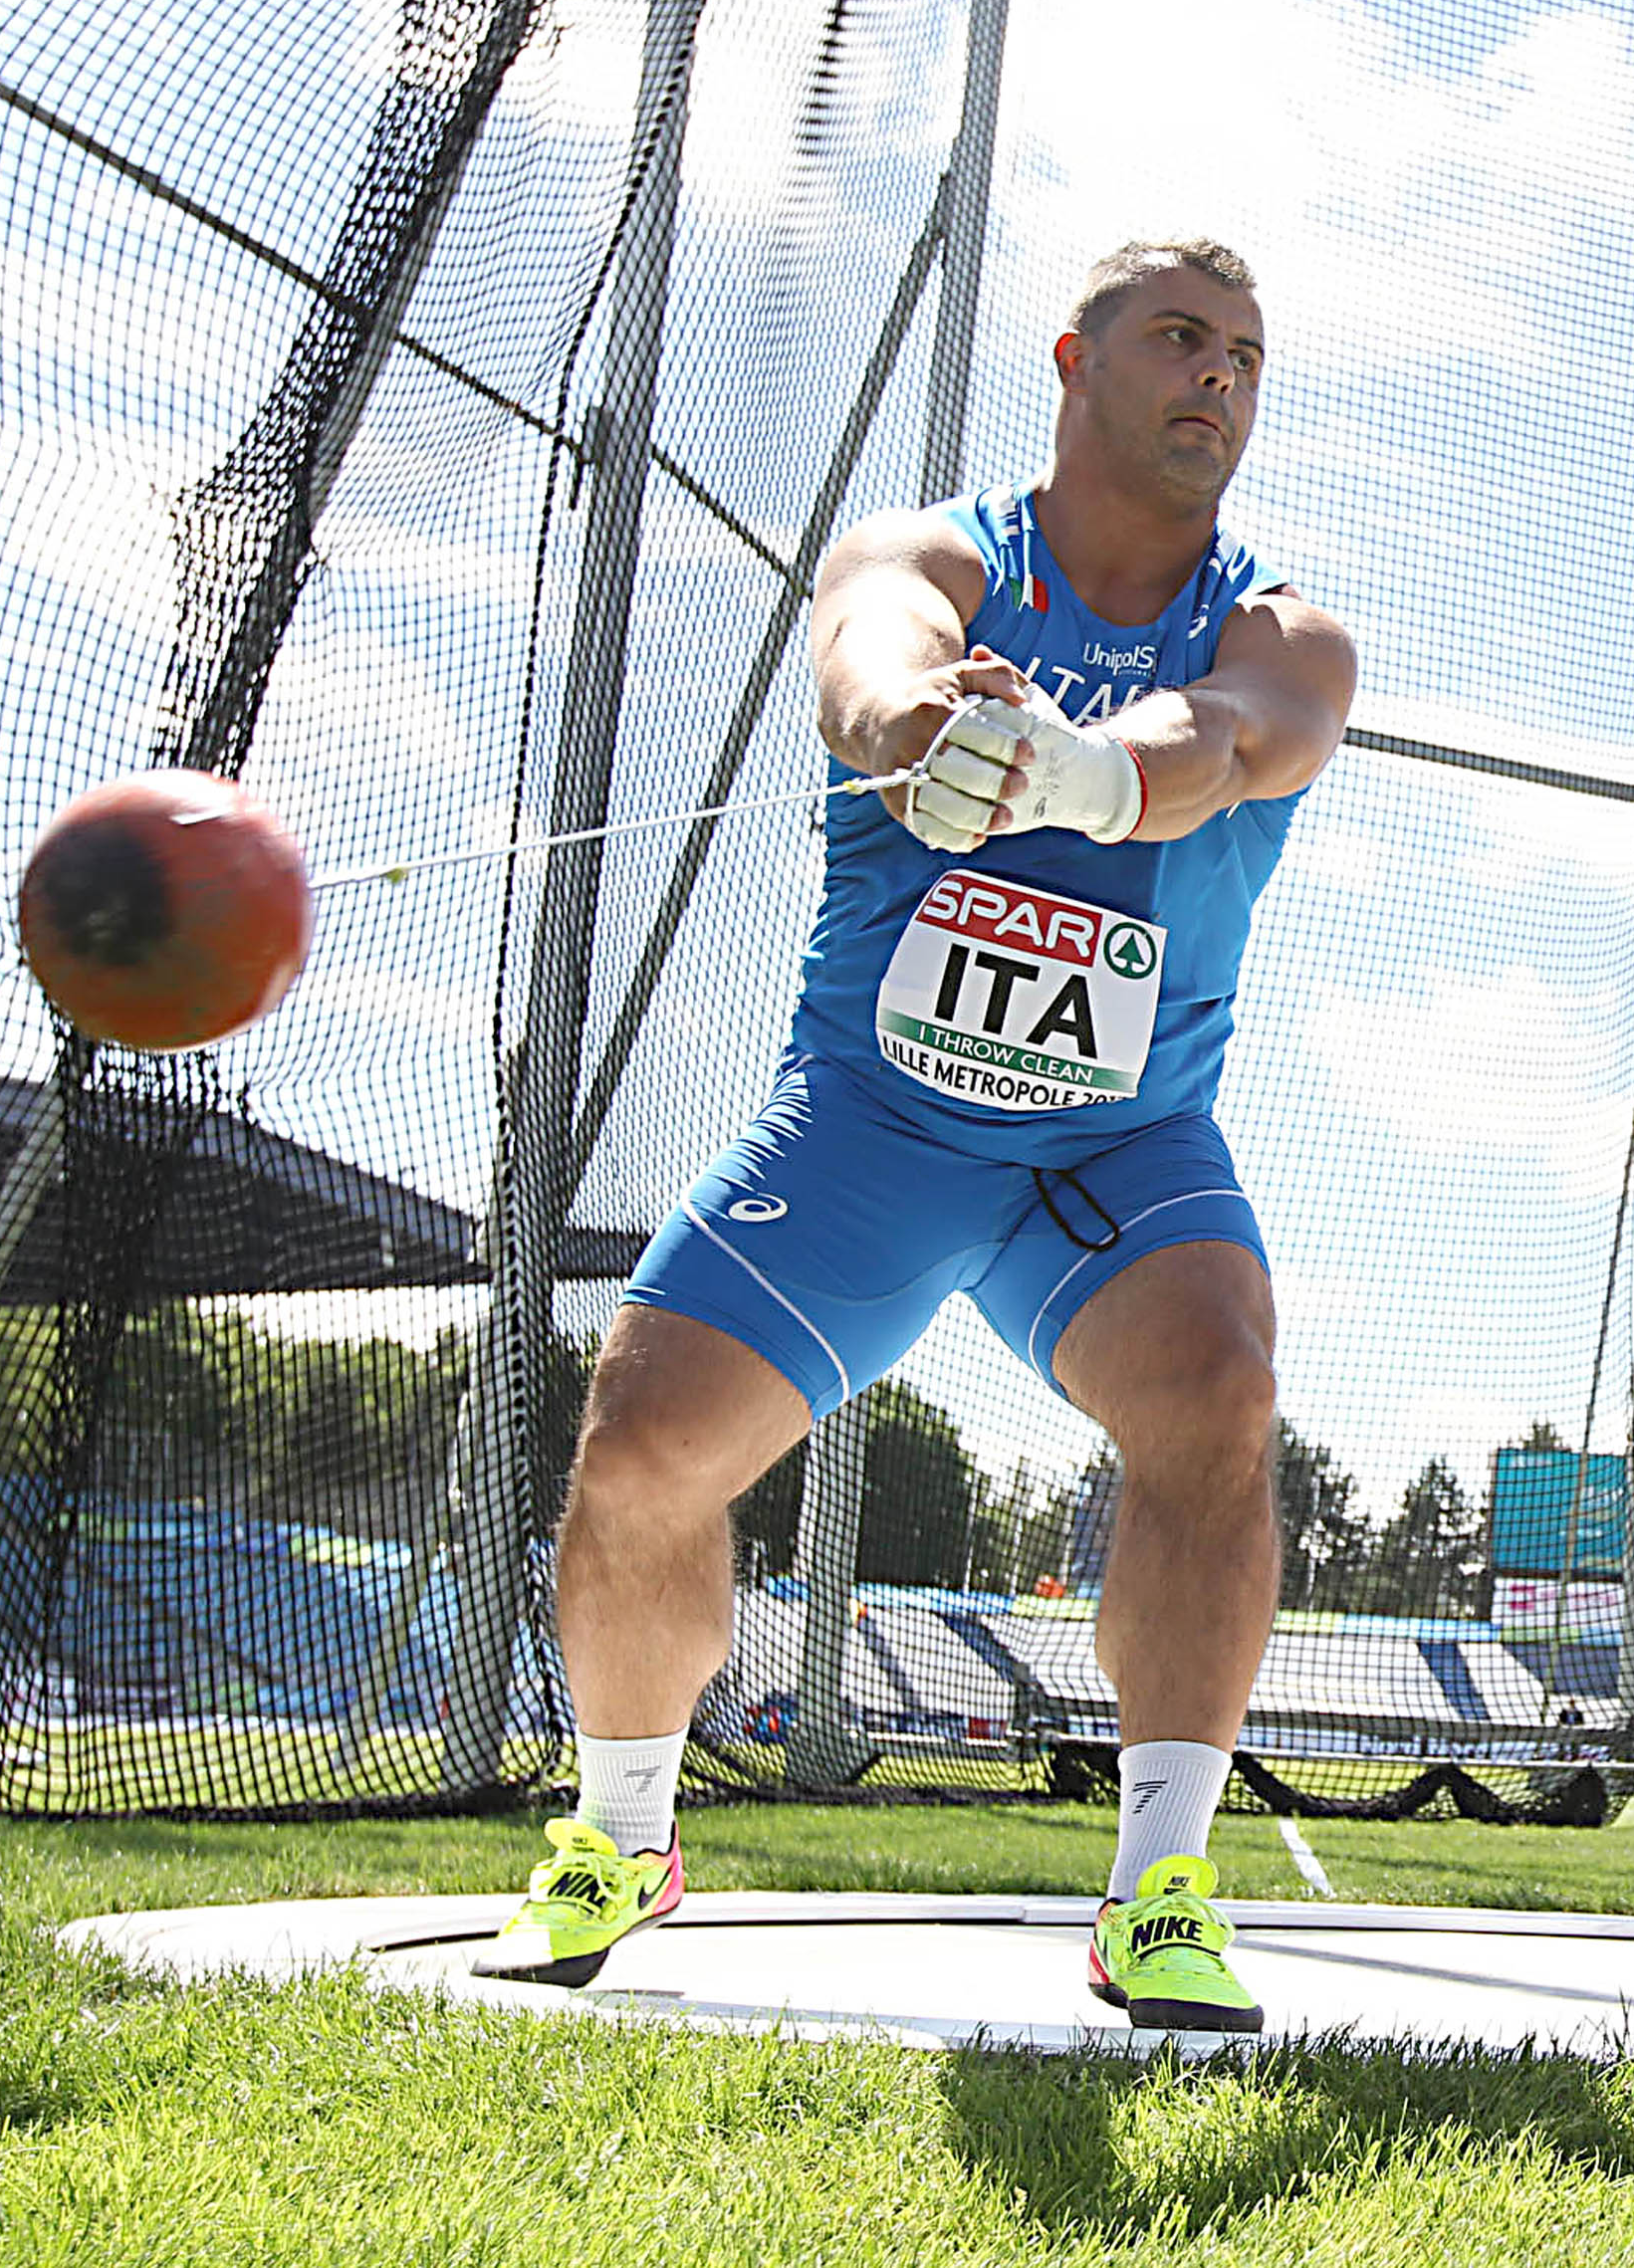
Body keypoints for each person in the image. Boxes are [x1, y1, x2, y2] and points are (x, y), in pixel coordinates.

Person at [472, 239, 1356, 2034]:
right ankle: (620, 1835)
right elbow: (872, 656)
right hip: (871, 1127)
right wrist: (919, 729)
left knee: (1218, 1387)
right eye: (1178, 337)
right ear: (1074, 359)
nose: (1217, 376)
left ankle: (1159, 1893)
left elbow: (1236, 737)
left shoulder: (1281, 628)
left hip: (1112, 1153)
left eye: (1245, 357)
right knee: (639, 1451)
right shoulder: (937, 552)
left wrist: (1092, 775)